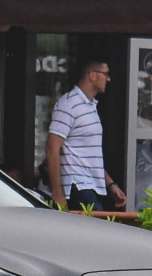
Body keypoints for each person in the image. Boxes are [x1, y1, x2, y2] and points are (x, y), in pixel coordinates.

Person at [46, 57, 124, 211]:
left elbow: (89, 154)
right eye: (105, 73)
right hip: (77, 186)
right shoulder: (68, 104)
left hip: (93, 187)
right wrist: (58, 194)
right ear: (92, 75)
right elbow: (52, 148)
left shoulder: (90, 106)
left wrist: (110, 184)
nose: (109, 79)